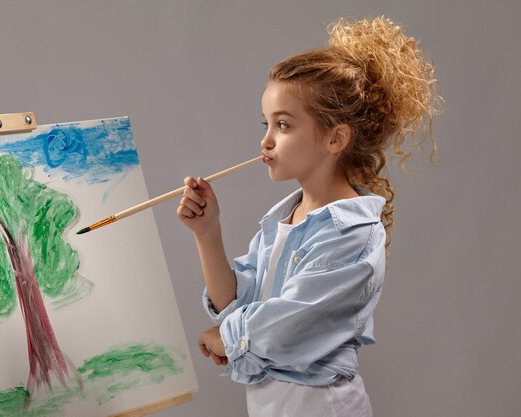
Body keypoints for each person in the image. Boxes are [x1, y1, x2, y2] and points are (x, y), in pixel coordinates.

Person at [177, 16, 441, 417]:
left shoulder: (351, 232)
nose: (265, 140)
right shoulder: (286, 217)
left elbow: (287, 325)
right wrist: (207, 233)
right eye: (266, 124)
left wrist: (227, 339)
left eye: (282, 125)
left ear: (335, 138)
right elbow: (238, 302)